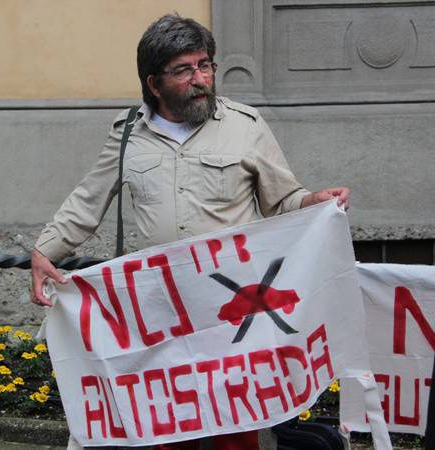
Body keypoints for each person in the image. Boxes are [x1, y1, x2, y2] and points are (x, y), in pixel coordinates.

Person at [30, 14, 349, 450]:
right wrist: (45, 250)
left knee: (236, 428)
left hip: (233, 313)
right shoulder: (127, 136)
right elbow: (88, 201)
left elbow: (282, 198)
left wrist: (311, 203)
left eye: (205, 65)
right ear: (154, 82)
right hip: (161, 312)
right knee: (165, 425)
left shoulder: (246, 124)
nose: (200, 78)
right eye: (184, 70)